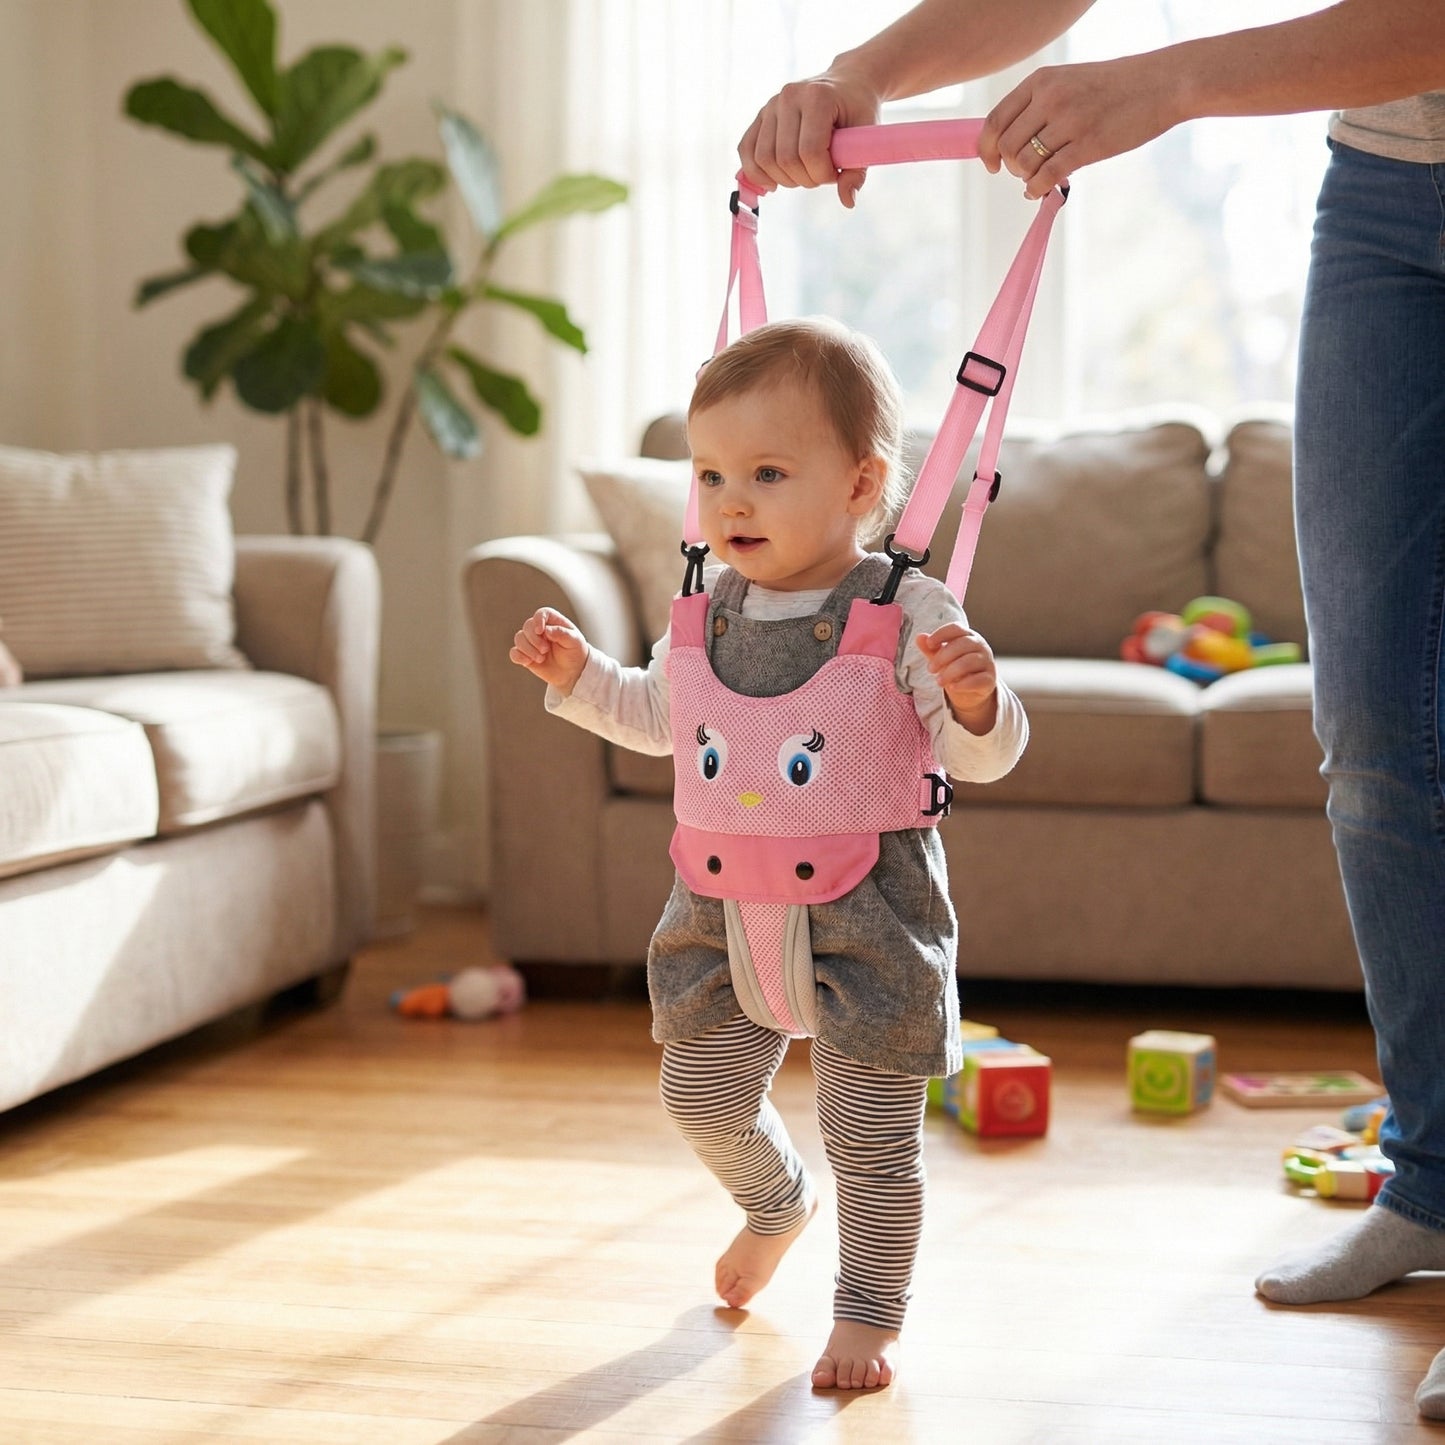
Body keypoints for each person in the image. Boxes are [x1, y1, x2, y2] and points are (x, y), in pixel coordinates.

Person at [737, 0, 1445, 1417]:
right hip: (1387, 196)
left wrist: (1171, 81)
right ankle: (1432, 1181)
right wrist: (860, 76)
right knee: (1375, 738)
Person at [510, 316, 1028, 1390]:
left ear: (856, 484)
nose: (729, 500)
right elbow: (660, 715)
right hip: (713, 913)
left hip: (868, 917)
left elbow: (981, 758)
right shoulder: (704, 605)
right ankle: (772, 1201)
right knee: (697, 1094)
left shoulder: (904, 607)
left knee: (870, 1135)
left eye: (765, 472)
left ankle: (868, 1310)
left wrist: (978, 700)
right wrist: (576, 674)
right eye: (709, 475)